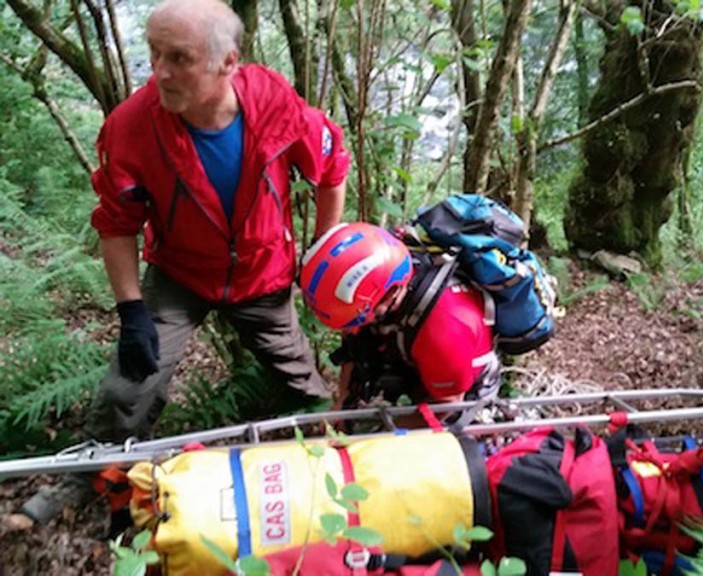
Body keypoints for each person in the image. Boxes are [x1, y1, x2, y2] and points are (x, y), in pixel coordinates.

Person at [9, 0, 351, 529]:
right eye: (153, 53)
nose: (159, 71)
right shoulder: (132, 127)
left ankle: (339, 455)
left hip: (262, 273)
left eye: (178, 57)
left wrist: (325, 252)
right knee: (131, 381)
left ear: (227, 62)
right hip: (179, 274)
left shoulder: (272, 100)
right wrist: (132, 313)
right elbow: (117, 222)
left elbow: (330, 164)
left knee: (302, 379)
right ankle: (87, 474)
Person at [299, 222, 501, 408]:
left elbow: (450, 406)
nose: (352, 326)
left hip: (460, 392)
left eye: (358, 319)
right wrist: (343, 403)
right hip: (408, 358)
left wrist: (379, 439)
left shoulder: (445, 328)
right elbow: (353, 341)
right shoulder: (376, 285)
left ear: (388, 295)